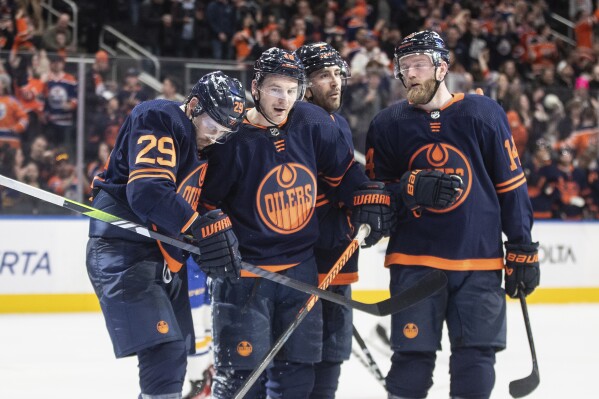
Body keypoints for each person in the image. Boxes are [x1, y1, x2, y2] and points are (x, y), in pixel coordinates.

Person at [198, 47, 394, 399]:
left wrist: (366, 195)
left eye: (291, 90)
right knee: (241, 381)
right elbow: (206, 202)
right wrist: (206, 227)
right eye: (275, 89)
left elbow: (343, 172)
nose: (283, 99)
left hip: (301, 274)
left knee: (298, 381)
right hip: (246, 276)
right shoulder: (231, 139)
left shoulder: (310, 121)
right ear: (255, 88)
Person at [365, 30, 540, 399]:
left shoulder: (483, 113)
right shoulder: (387, 123)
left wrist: (522, 247)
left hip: (477, 262)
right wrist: (408, 188)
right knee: (411, 361)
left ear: (442, 67)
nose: (410, 74)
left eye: (419, 65)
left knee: (475, 359)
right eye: (404, 66)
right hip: (414, 262)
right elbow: (374, 200)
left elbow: (510, 185)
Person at [85, 71, 247, 399]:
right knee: (165, 352)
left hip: (164, 256)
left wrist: (214, 235)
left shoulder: (208, 147)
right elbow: (146, 191)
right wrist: (198, 228)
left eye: (222, 134)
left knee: (173, 359)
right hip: (124, 247)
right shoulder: (160, 116)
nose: (213, 139)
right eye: (212, 128)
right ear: (194, 105)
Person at [295, 41, 357, 399]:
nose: (335, 83)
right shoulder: (294, 124)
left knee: (331, 361)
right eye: (323, 75)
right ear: (304, 84)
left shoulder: (341, 124)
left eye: (337, 74)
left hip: (338, 258)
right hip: (300, 263)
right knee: (297, 366)